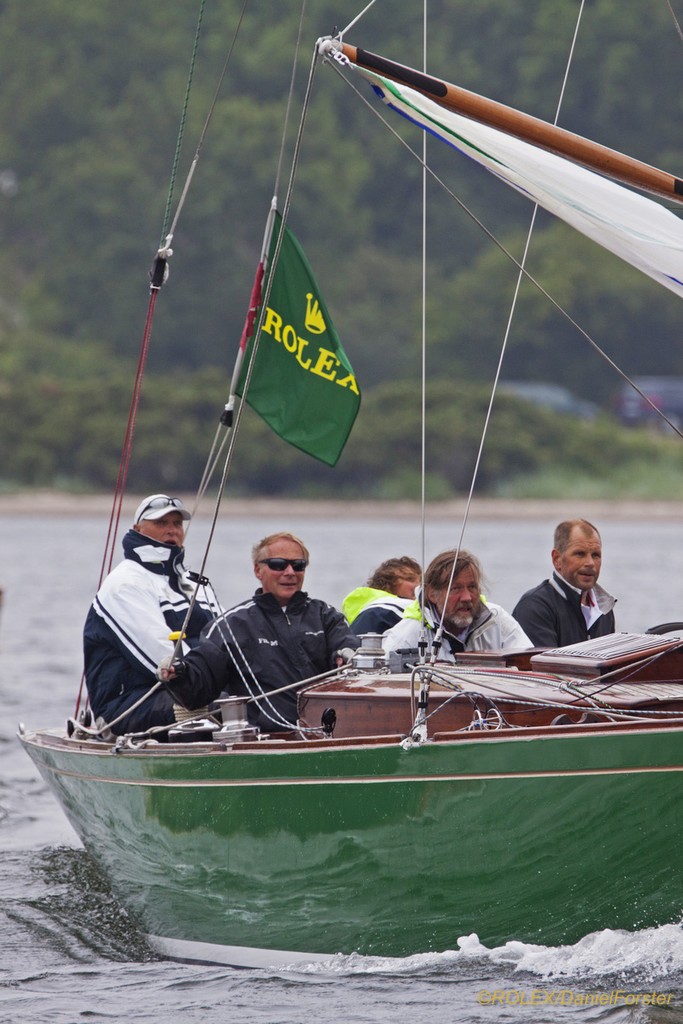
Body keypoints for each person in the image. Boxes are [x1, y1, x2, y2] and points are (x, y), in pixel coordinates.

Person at [170, 531, 361, 733]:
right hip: (264, 739)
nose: (289, 572)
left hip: (326, 733)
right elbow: (199, 688)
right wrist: (178, 673)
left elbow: (348, 646)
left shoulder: (326, 616)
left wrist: (349, 654)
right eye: (278, 564)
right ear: (258, 570)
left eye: (298, 565)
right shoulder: (231, 625)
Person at [83, 494, 226, 735]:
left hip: (195, 691)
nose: (172, 531)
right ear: (138, 528)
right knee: (229, 706)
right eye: (161, 523)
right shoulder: (125, 584)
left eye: (177, 524)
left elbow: (225, 642)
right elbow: (167, 664)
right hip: (128, 706)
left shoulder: (195, 582)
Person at [382, 548, 531, 660]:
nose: (466, 597)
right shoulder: (406, 637)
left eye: (472, 587)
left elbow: (530, 665)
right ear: (432, 594)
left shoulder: (496, 620)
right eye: (456, 589)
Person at [512, 518, 616, 648]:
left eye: (596, 555)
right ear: (557, 559)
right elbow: (544, 666)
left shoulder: (604, 608)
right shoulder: (534, 606)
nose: (590, 563)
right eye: (580, 554)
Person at [342, 556, 421, 636]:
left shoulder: (361, 611)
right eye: (410, 579)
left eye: (421, 581)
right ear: (388, 583)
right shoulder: (382, 613)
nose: (419, 585)